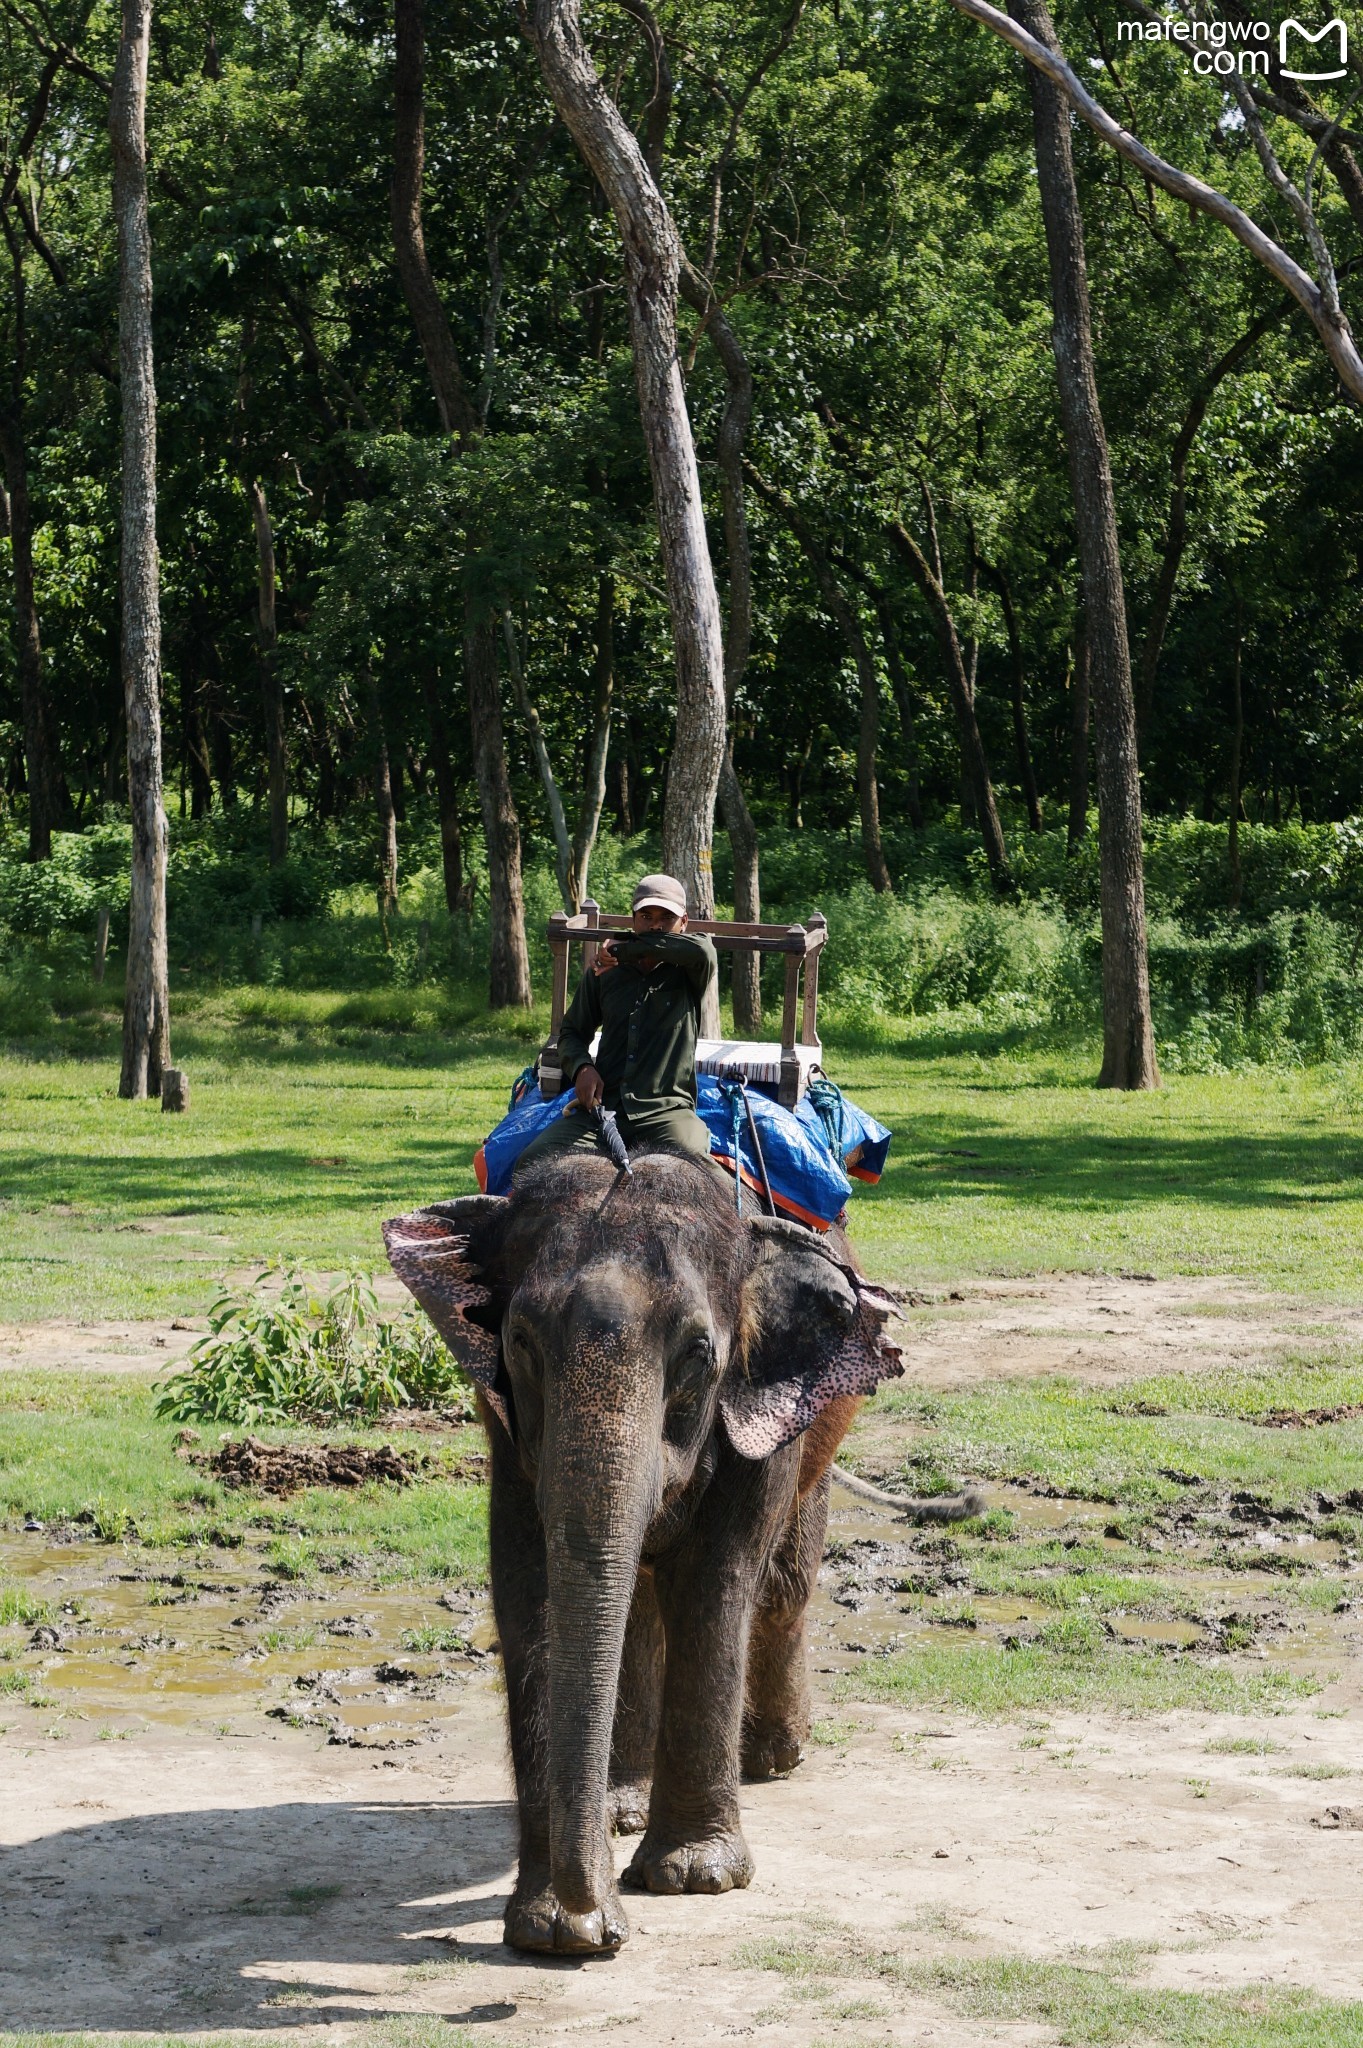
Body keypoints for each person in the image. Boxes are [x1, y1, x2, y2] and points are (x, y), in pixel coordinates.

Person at [515, 874, 718, 1174]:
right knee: (530, 1164)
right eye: (646, 916)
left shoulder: (691, 968)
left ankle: (739, 1223)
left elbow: (702, 950)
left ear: (684, 923)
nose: (655, 925)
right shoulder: (605, 973)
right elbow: (571, 1033)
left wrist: (625, 948)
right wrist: (582, 1067)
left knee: (699, 1174)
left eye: (667, 918)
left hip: (667, 1112)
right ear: (633, 919)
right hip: (603, 1109)